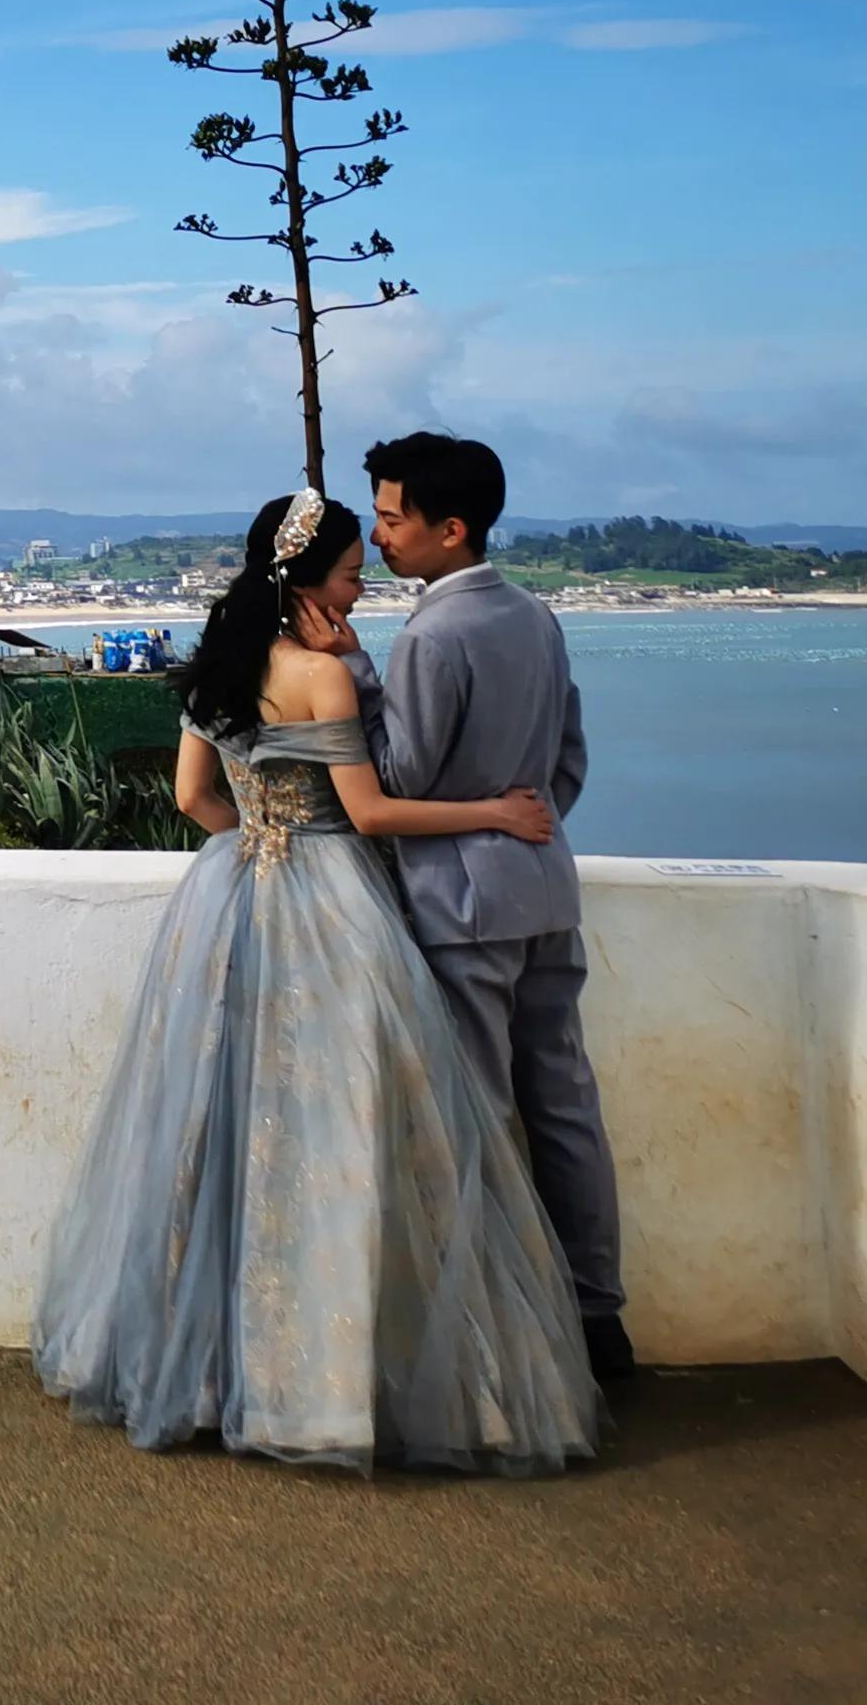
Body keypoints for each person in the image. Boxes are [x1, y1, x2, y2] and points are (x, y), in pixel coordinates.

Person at [32, 489, 599, 1474]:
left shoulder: (216, 670)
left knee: (216, 1132)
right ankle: (328, 1383)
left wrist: (258, 845)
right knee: (347, 1132)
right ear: (309, 581)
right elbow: (373, 815)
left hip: (228, 897)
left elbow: (191, 798)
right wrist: (496, 817)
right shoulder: (323, 678)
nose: (361, 585)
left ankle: (206, 1375)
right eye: (349, 574)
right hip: (335, 905)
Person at [320, 431, 631, 1386]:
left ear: (450, 531)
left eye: (389, 518)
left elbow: (402, 773)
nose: (376, 540)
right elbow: (567, 762)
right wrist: (520, 836)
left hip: (460, 904)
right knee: (567, 1105)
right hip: (542, 889)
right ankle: (597, 1317)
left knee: (484, 1114)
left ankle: (512, 1332)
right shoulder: (536, 616)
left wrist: (357, 673)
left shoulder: (431, 634)